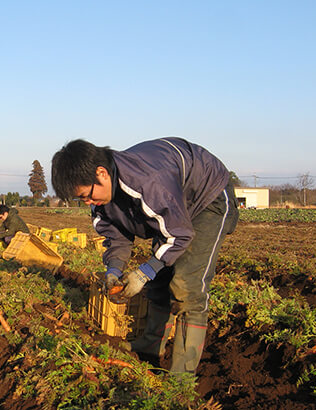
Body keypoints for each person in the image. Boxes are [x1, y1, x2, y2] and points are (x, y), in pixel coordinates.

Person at [51, 137, 238, 374]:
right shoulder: (101, 198)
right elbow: (116, 236)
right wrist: (114, 271)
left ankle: (181, 379)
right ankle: (151, 343)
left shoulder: (149, 182)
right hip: (173, 205)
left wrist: (143, 272)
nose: (88, 202)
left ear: (101, 173)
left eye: (86, 195)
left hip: (206, 199)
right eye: (81, 199)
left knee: (186, 286)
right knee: (160, 278)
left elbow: (179, 235)